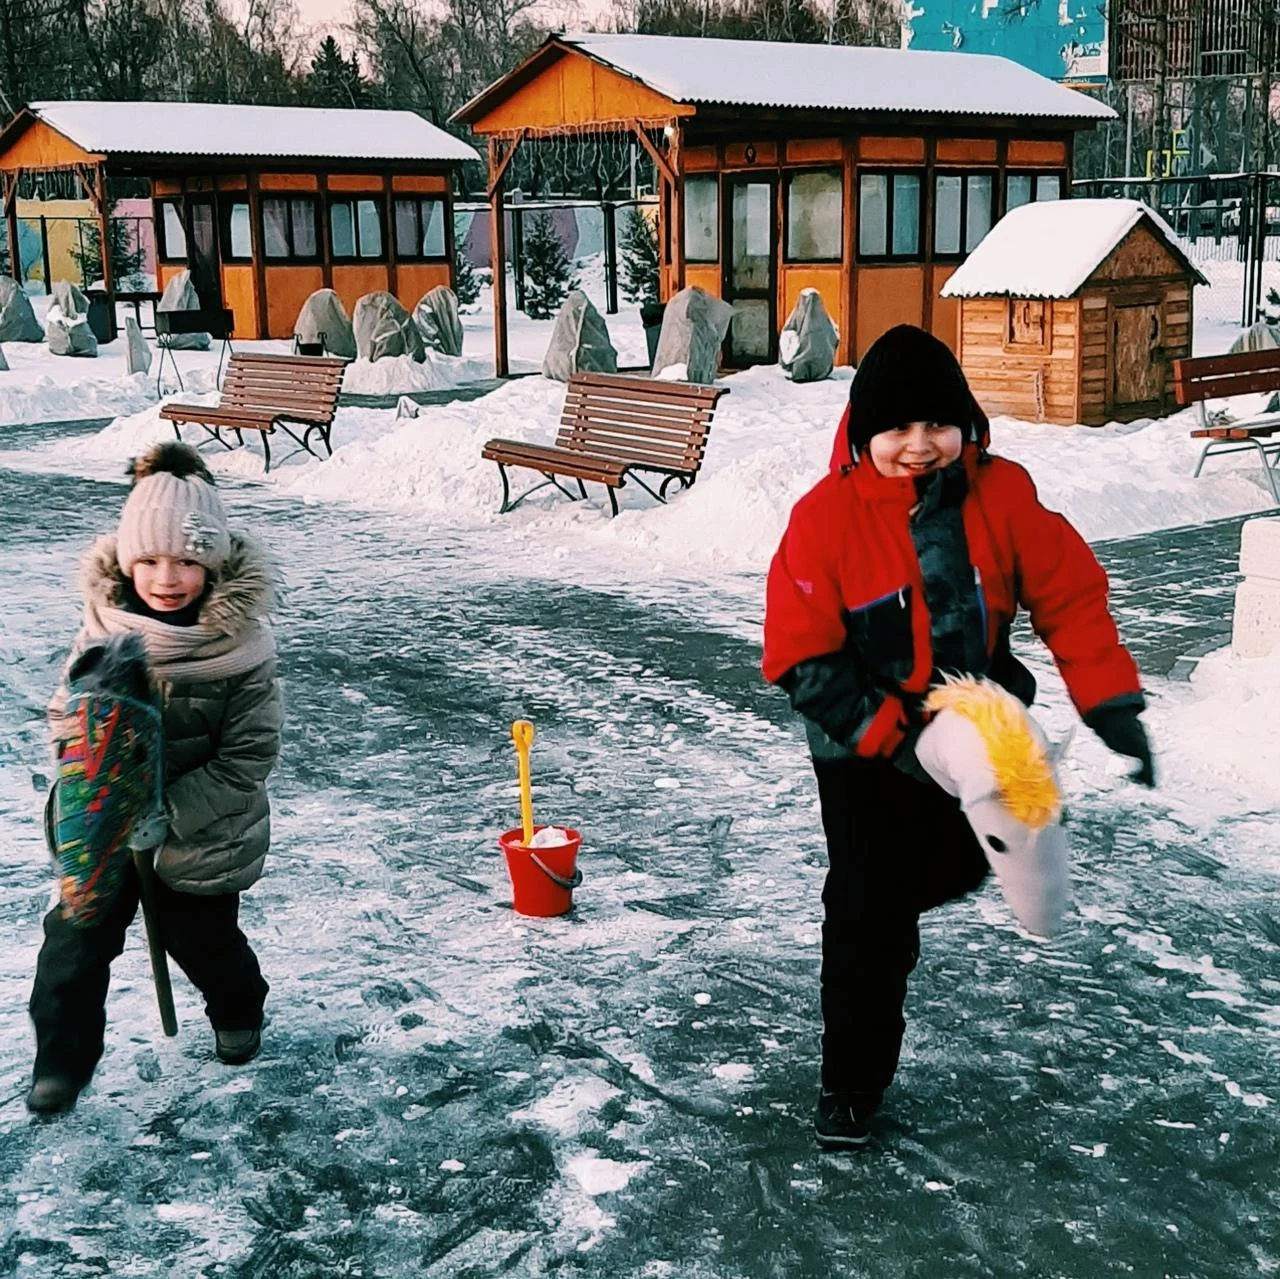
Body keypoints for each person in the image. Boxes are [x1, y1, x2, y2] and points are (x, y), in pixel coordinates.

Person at [762, 325, 1153, 1150]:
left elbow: (1069, 593)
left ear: (966, 424)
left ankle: (972, 855)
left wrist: (1110, 700)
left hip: (971, 716)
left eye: (936, 424)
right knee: (868, 911)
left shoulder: (1002, 494)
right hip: (860, 740)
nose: (918, 445)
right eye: (897, 428)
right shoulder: (826, 518)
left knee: (952, 859)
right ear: (865, 434)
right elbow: (799, 655)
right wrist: (888, 734)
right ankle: (851, 1085)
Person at [27, 441, 282, 1116]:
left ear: (214, 563)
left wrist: (170, 808)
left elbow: (247, 759)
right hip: (105, 827)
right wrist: (90, 745)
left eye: (187, 561)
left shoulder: (241, 651)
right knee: (74, 944)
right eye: (149, 560)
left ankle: (239, 1009)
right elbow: (65, 713)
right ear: (125, 560)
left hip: (197, 834)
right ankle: (60, 1059)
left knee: (204, 941)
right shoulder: (106, 630)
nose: (166, 577)